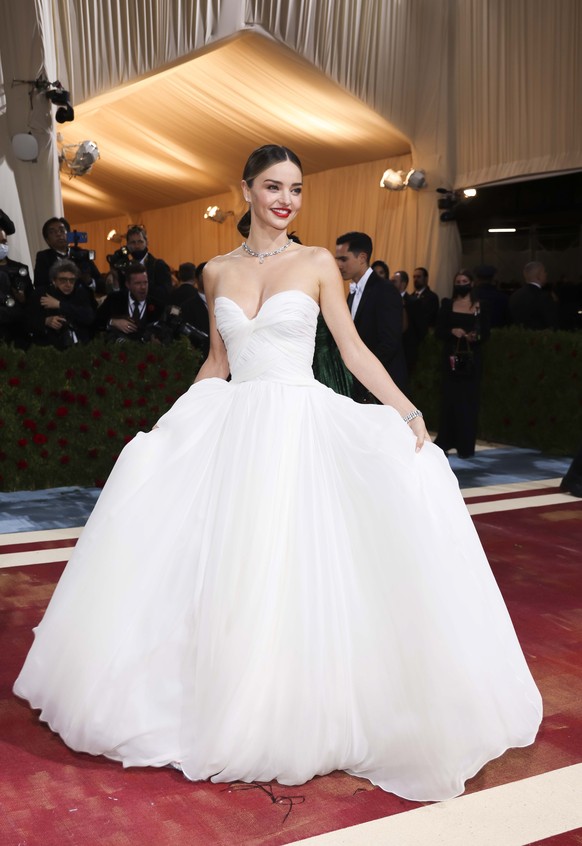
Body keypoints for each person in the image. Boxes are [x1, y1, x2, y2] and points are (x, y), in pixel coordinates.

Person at [14, 144, 541, 804]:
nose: (286, 199)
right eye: (273, 186)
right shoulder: (216, 272)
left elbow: (352, 349)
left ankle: (296, 703)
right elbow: (217, 362)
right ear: (246, 191)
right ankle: (225, 699)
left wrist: (407, 412)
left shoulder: (317, 262)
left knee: (296, 563)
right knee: (231, 566)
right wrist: (172, 427)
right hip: (236, 430)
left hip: (299, 425)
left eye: (295, 188)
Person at [336, 232, 408, 396]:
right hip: (361, 384)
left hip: (383, 384)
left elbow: (389, 343)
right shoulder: (353, 292)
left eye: (343, 259)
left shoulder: (385, 290)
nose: (339, 265)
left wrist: (362, 375)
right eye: (337, 259)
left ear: (362, 258)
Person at [434, 269, 491, 458]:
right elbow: (438, 331)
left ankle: (465, 445)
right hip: (451, 359)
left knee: (469, 401)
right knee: (449, 399)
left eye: (464, 281)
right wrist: (452, 331)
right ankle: (445, 441)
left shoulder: (480, 306)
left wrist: (475, 336)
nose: (461, 284)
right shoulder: (447, 304)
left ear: (471, 283)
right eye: (458, 281)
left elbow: (486, 333)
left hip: (472, 359)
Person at [26, 259, 95, 349]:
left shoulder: (80, 293)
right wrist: (46, 321)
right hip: (48, 347)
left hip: (80, 346)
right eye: (63, 280)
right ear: (54, 280)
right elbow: (27, 321)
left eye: (72, 280)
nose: (68, 284)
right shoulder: (41, 294)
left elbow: (89, 317)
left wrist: (60, 305)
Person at [96, 262, 164, 342]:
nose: (143, 287)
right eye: (138, 283)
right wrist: (112, 322)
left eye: (145, 282)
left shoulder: (158, 306)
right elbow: (96, 321)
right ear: (128, 284)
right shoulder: (114, 299)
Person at [34, 217, 101, 291]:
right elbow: (39, 286)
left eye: (62, 230)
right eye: (52, 232)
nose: (58, 234)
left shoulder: (82, 254)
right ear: (47, 240)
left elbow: (100, 282)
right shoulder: (43, 257)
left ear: (68, 235)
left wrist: (89, 282)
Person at [509, 261, 559, 329]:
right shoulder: (544, 297)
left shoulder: (514, 295)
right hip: (540, 334)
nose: (546, 274)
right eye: (544, 272)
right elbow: (552, 322)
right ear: (539, 276)